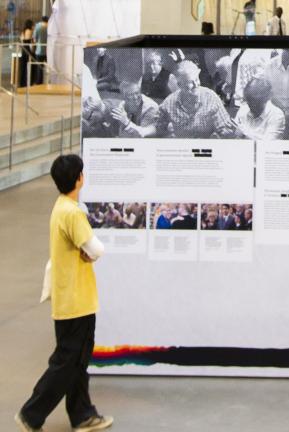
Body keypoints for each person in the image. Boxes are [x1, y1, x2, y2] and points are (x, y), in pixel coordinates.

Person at [15, 154, 114, 432]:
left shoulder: (61, 207)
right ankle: (31, 412)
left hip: (70, 297)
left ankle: (82, 414)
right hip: (76, 300)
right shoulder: (72, 212)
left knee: (77, 361)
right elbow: (96, 249)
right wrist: (90, 253)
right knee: (68, 362)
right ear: (79, 178)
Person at [156, 60, 237, 138]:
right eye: (190, 82)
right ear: (180, 85)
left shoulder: (211, 97)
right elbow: (157, 128)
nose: (196, 85)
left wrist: (231, 131)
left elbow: (224, 129)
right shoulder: (169, 102)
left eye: (197, 79)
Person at [32, 16, 48, 85]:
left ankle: (39, 82)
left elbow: (35, 38)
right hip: (48, 50)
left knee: (39, 67)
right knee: (48, 67)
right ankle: (48, 81)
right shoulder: (50, 27)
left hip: (39, 50)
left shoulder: (38, 27)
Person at [18, 19, 34, 88]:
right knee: (29, 67)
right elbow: (30, 41)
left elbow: (22, 41)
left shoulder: (23, 32)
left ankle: (22, 83)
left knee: (23, 67)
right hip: (27, 51)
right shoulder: (29, 31)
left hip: (23, 50)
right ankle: (28, 82)